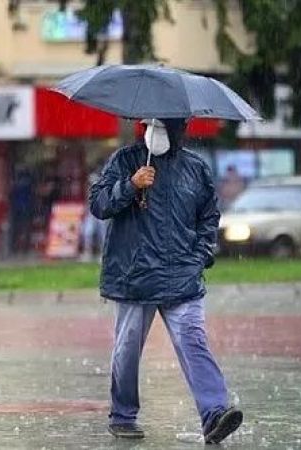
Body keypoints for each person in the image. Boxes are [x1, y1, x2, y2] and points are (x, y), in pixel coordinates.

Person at [89, 118, 243, 444]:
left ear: (180, 129)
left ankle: (214, 412)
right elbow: (99, 205)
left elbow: (208, 217)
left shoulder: (195, 169)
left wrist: (201, 255)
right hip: (134, 276)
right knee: (127, 349)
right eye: (152, 126)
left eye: (167, 126)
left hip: (182, 277)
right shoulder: (124, 161)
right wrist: (131, 185)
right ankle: (123, 414)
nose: (158, 133)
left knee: (193, 341)